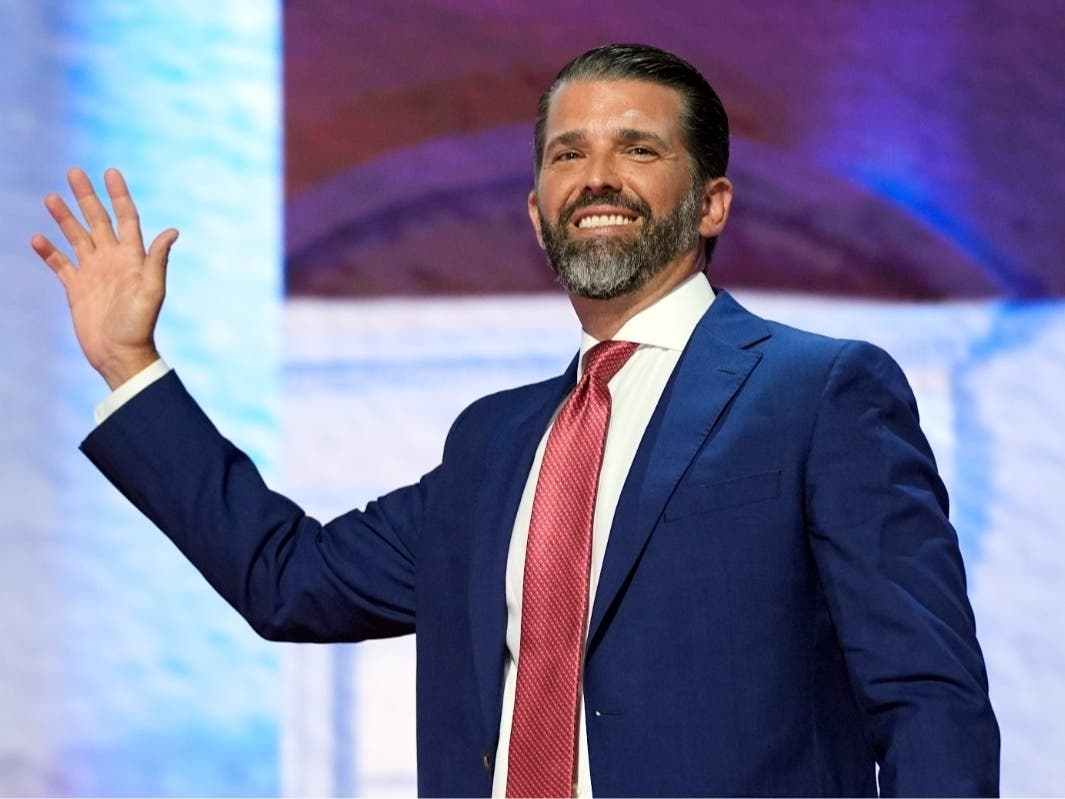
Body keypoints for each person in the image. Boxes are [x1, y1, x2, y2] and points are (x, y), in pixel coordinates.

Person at [32, 44, 998, 797]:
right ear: (537, 213)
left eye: (639, 148)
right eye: (567, 153)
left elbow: (925, 695)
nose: (598, 176)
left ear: (711, 203)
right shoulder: (494, 443)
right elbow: (292, 581)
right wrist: (131, 364)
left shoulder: (819, 391)